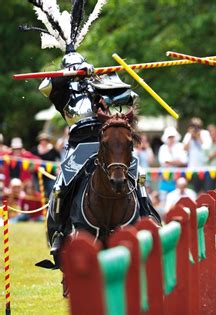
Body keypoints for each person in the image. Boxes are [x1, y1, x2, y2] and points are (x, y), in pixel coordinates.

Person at [21, 0, 160, 260]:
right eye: (73, 70)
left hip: (103, 141)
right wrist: (68, 74)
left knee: (136, 173)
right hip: (78, 146)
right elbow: (45, 86)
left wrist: (96, 77)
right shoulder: (62, 94)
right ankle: (58, 234)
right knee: (61, 187)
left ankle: (146, 215)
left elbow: (125, 97)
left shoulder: (97, 86)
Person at [157, 127, 187, 201]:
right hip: (165, 179)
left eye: (172, 136)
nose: (171, 138)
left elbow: (184, 161)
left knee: (177, 200)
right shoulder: (163, 148)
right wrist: (176, 161)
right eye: (169, 137)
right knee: (163, 200)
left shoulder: (180, 146)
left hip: (177, 179)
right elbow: (163, 162)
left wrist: (170, 162)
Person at [183, 118, 211, 192]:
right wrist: (190, 137)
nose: (195, 128)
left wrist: (198, 137)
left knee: (206, 191)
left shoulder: (205, 133)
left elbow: (206, 148)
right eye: (193, 125)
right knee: (193, 191)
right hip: (192, 169)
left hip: (204, 168)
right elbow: (185, 149)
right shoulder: (188, 135)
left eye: (197, 126)